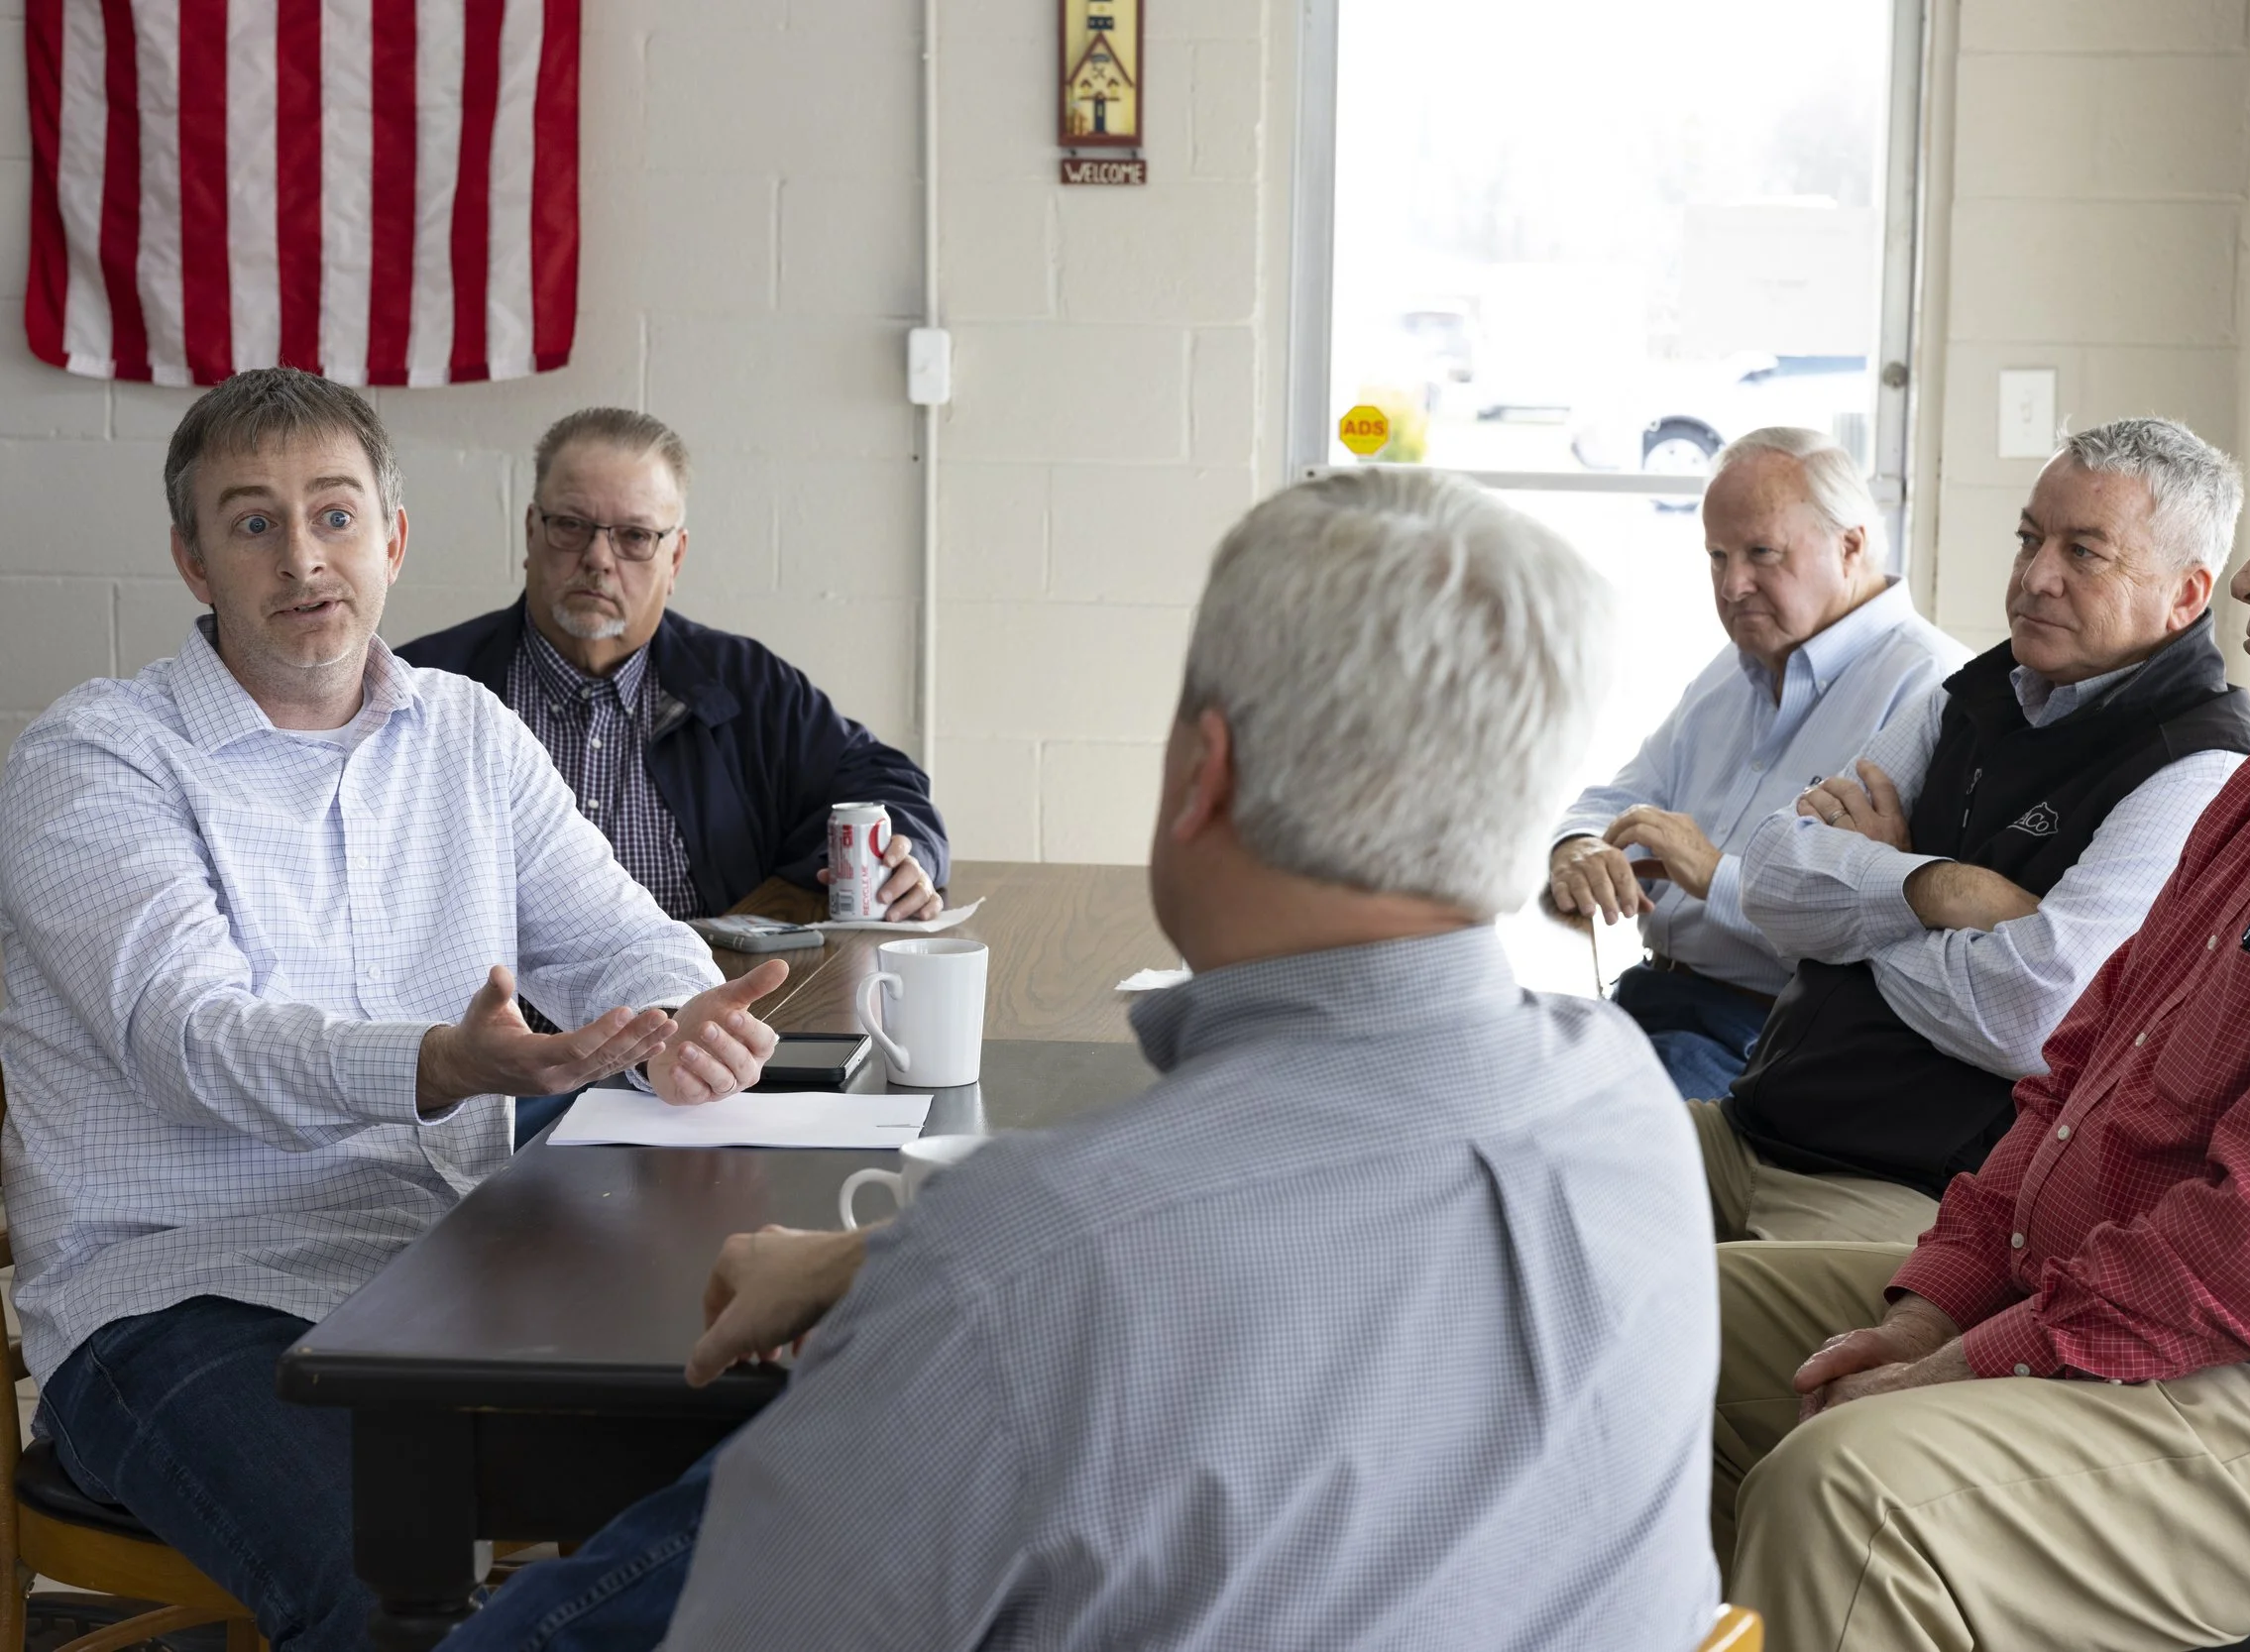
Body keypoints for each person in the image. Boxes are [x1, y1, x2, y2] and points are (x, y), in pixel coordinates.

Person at [444, 470, 1724, 1652]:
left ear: (1201, 773)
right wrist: (880, 1257)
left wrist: (940, 1273)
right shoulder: (1626, 1102)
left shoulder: (1027, 1272)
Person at [0, 368, 788, 1652]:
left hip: (450, 1267)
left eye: (335, 513)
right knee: (387, 1599)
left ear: (395, 537)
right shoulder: (93, 761)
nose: (304, 556)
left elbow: (614, 934)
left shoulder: (464, 731)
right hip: (179, 1297)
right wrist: (437, 1062)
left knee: (817, 1441)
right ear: (193, 561)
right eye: (252, 522)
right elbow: (195, 1040)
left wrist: (682, 1010)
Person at [1714, 376, 2250, 1650]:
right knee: (1669, 1316)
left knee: (1850, 1486)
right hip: (2126, 1299)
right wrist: (1933, 1301)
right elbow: (2069, 1085)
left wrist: (1964, 1358)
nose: (2247, 583)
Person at [1700, 417, 2250, 1245]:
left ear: (2185, 594)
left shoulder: (2199, 766)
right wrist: (1934, 887)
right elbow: (1772, 878)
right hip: (1752, 1120)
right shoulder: (1979, 688)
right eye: (2030, 538)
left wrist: (1855, 905)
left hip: (1909, 1189)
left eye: (2084, 552)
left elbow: (2032, 1014)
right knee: (1499, 1176)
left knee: (1624, 1306)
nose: (2036, 577)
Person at [398, 407, 947, 925]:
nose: (597, 558)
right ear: (531, 533)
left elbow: (884, 783)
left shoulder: (743, 686)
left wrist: (902, 851)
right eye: (570, 525)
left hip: (696, 1017)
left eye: (635, 536)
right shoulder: (421, 689)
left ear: (675, 557)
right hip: (484, 1022)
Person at [1549, 428, 1968, 1099]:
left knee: (1561, 1131)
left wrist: (1717, 875)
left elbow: (1871, 930)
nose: (1732, 584)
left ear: (1851, 545)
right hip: (1651, 999)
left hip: (1775, 1036)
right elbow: (1616, 797)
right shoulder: (1734, 667)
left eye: (1761, 553)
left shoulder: (1931, 688)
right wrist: (1579, 847)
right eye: (1717, 556)